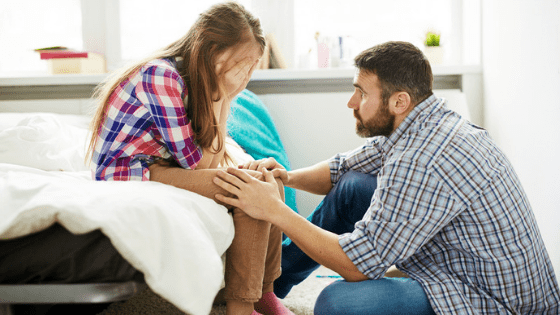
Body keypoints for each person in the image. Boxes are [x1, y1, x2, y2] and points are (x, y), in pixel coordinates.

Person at [213, 41, 560, 314]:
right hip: (464, 262)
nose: (352, 102)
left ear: (399, 101)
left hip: (491, 301)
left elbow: (357, 265)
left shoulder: (422, 159)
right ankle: (268, 289)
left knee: (335, 304)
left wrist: (274, 209)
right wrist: (285, 177)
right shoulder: (423, 121)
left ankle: (270, 287)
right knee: (351, 186)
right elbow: (343, 168)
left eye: (362, 93)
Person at [87, 3, 292, 315]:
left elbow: (209, 159)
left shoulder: (193, 80)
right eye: (239, 63)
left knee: (267, 182)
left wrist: (226, 95)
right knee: (250, 191)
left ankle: (265, 293)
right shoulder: (161, 76)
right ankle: (241, 305)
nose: (243, 74)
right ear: (209, 49)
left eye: (250, 66)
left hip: (162, 166)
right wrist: (223, 94)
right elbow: (199, 164)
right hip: (132, 171)